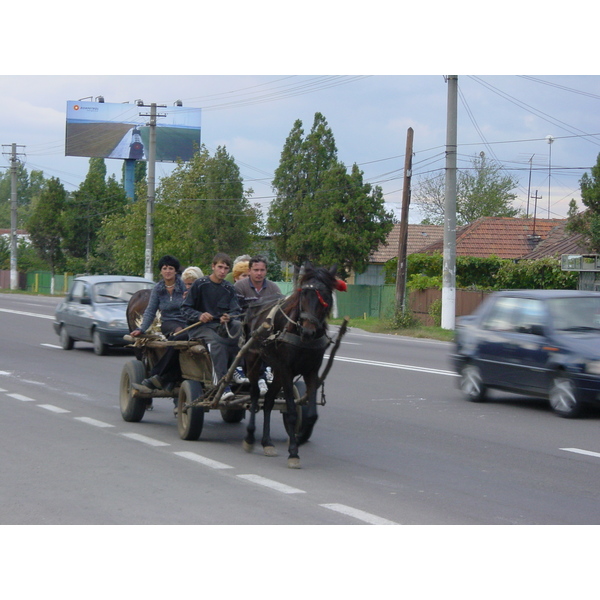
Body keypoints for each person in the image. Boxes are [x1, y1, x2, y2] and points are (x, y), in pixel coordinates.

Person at [181, 252, 242, 401]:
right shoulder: (200, 284)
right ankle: (221, 385)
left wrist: (228, 316)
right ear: (213, 266)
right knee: (217, 344)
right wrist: (199, 316)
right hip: (199, 328)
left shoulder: (229, 288)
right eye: (220, 267)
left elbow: (236, 311)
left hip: (220, 327)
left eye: (226, 268)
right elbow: (185, 308)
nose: (222, 271)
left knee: (239, 327)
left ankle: (237, 369)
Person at [131, 255, 187, 393]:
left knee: (177, 339)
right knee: (178, 334)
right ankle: (163, 376)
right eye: (164, 268)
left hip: (186, 322)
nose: (168, 271)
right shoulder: (158, 289)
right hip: (169, 323)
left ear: (176, 271)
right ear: (161, 271)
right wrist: (141, 328)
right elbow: (150, 311)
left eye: (171, 268)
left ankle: (162, 376)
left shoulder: (184, 286)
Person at [234, 256, 283, 394]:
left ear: (266, 271)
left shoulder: (273, 288)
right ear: (250, 271)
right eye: (256, 270)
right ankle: (261, 373)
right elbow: (235, 310)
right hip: (245, 326)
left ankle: (271, 370)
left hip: (268, 328)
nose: (259, 273)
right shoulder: (240, 286)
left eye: (262, 270)